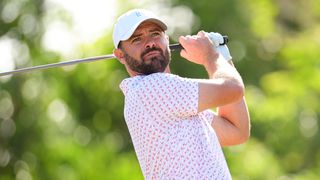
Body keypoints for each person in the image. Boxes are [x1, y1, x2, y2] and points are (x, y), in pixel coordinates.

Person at [112, 9, 250, 179]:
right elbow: (233, 89)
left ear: (166, 40)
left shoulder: (174, 101)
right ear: (120, 55)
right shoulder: (148, 88)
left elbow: (236, 131)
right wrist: (211, 56)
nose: (149, 43)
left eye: (155, 34)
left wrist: (223, 58)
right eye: (137, 39)